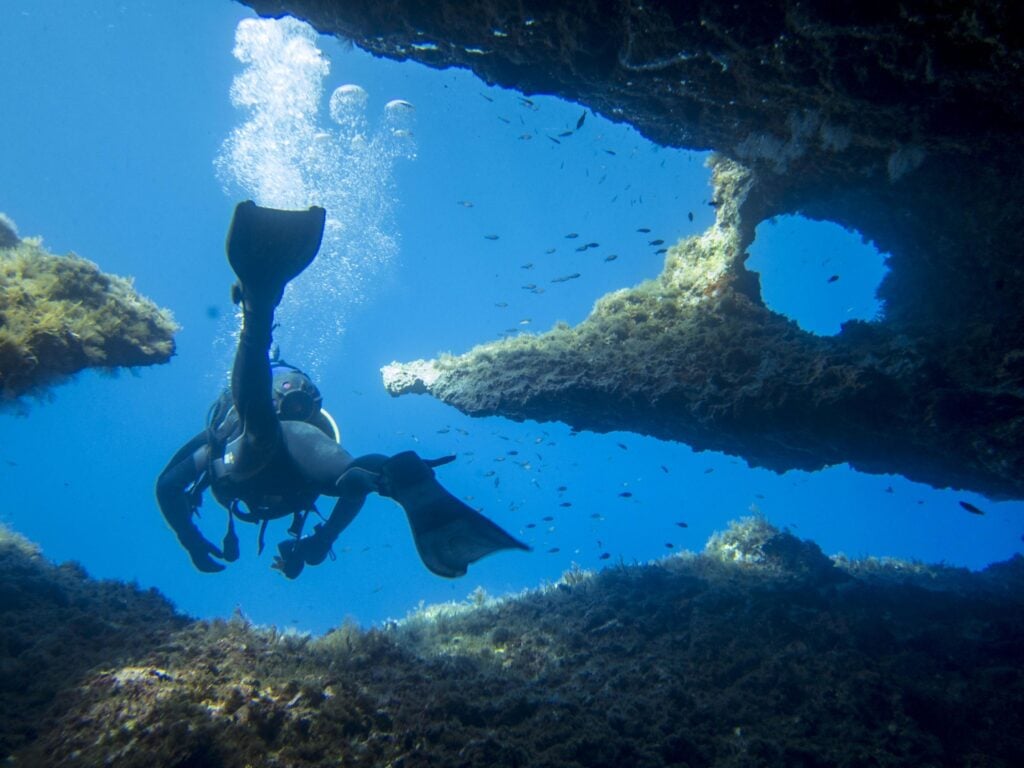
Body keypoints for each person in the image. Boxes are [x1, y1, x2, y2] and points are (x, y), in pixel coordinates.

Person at [156, 201, 529, 579]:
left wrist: (191, 540)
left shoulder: (217, 444)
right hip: (306, 453)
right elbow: (350, 487)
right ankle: (392, 471)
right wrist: (323, 538)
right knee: (350, 473)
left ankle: (257, 307)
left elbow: (168, 486)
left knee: (260, 434)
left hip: (253, 456)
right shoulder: (295, 435)